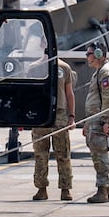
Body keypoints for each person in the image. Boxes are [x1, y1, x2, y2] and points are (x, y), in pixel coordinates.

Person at [31, 57, 76, 201]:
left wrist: (71, 116)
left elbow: (69, 93)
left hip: (60, 113)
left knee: (63, 153)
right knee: (40, 154)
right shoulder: (34, 67)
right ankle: (41, 188)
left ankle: (65, 188)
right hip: (41, 114)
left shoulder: (64, 67)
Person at [82, 41, 109, 203]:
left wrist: (106, 121)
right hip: (95, 120)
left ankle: (102, 191)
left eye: (89, 53)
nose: (87, 57)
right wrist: (87, 123)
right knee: (99, 155)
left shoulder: (107, 73)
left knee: (100, 157)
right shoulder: (100, 72)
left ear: (98, 54)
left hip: (100, 121)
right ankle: (108, 191)